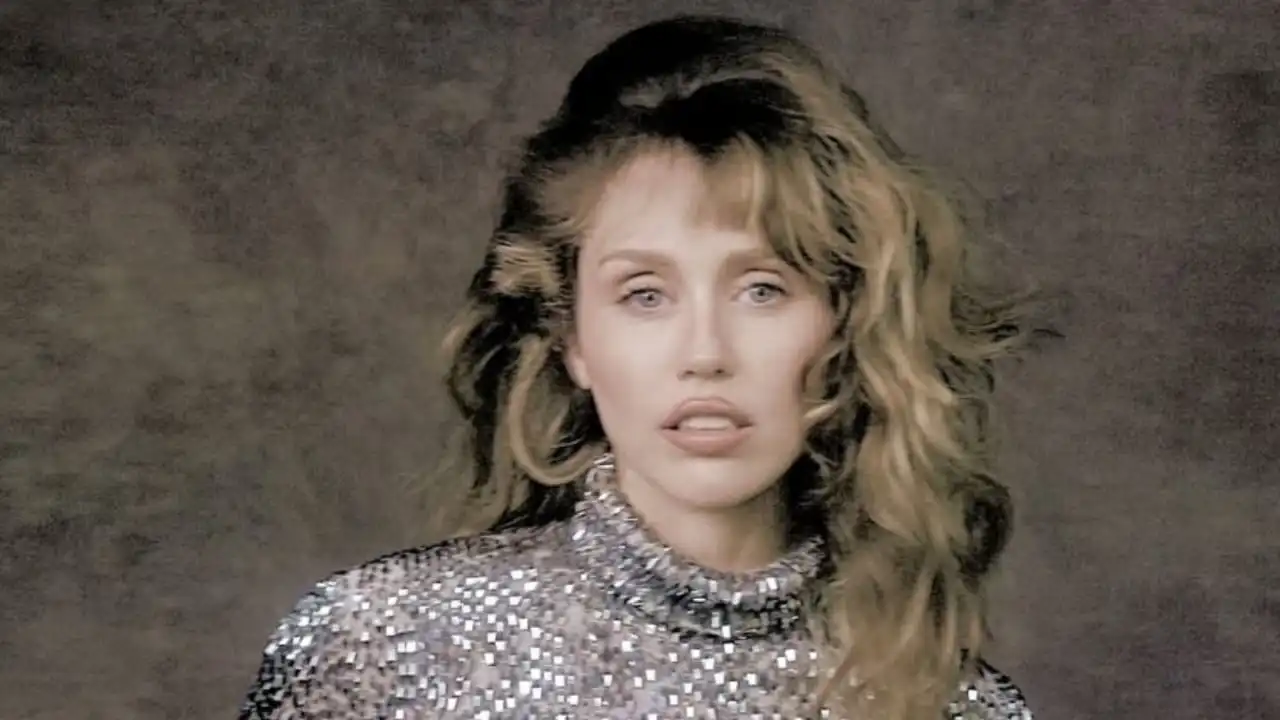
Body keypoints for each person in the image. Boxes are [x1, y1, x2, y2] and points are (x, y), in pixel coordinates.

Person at [238, 14, 1046, 720]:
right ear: (572, 338)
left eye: (762, 290)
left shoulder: (955, 706)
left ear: (845, 326)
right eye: (645, 294)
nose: (706, 353)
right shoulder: (378, 647)